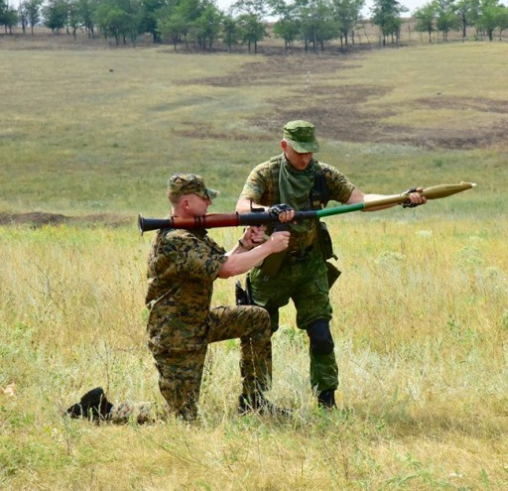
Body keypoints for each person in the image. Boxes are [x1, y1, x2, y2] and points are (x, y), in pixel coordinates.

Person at [66, 173, 291, 423]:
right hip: (176, 336)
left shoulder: (192, 235)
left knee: (257, 319)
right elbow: (228, 269)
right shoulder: (176, 241)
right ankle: (100, 410)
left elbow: (219, 264)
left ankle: (254, 401)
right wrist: (269, 247)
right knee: (181, 417)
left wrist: (246, 244)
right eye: (204, 198)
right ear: (186, 203)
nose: (210, 204)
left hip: (199, 322)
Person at [235, 120, 426, 409]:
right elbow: (243, 206)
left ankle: (326, 400)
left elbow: (361, 200)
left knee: (321, 334)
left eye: (310, 151)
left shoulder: (323, 175)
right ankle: (253, 399)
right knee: (259, 332)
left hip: (310, 265)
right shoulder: (266, 173)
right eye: (300, 151)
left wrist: (401, 198)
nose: (306, 157)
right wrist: (270, 211)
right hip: (271, 263)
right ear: (284, 146)